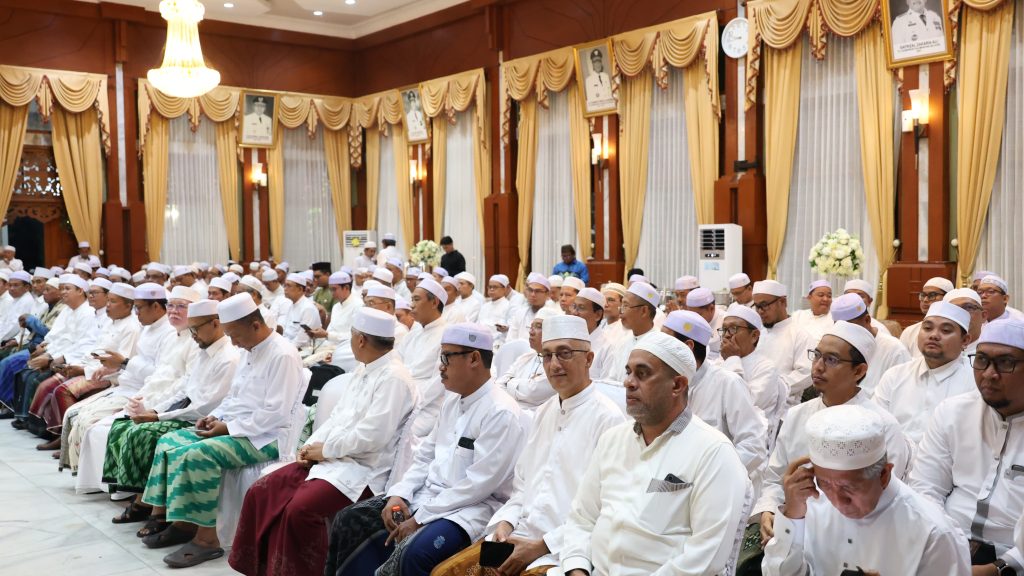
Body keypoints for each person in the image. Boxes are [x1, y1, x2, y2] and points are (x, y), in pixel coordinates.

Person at [327, 323, 527, 576]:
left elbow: (478, 485)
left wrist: (420, 518)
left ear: (474, 358)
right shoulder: (453, 401)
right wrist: (400, 494)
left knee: (415, 553)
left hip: (468, 510)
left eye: (446, 357)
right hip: (427, 497)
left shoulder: (500, 412)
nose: (440, 366)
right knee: (351, 518)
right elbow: (424, 456)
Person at [229, 307, 417, 576]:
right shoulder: (365, 369)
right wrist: (310, 447)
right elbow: (337, 418)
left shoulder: (394, 378)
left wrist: (325, 451)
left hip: (363, 470)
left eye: (351, 336)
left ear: (361, 340)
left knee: (299, 510)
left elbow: (372, 437)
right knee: (261, 491)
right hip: (332, 459)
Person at [433, 315, 625, 576]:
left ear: (589, 359)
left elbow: (603, 509)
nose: (554, 364)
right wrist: (505, 522)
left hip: (562, 549)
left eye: (564, 353)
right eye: (547, 355)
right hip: (519, 534)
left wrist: (541, 546)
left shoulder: (609, 419)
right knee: (443, 573)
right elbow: (522, 486)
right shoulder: (545, 411)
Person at [560, 331, 750, 575]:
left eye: (642, 374)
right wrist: (577, 569)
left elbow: (706, 556)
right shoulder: (612, 440)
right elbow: (581, 519)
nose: (628, 382)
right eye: (628, 372)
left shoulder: (714, 452)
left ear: (677, 385)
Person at [139, 293, 305, 568]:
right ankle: (183, 523)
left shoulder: (282, 354)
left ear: (255, 325)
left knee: (199, 454)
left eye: (235, 335)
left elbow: (276, 413)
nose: (234, 342)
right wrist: (215, 416)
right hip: (237, 426)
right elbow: (234, 397)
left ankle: (208, 540)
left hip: (266, 437)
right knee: (170, 441)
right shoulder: (249, 349)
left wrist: (228, 427)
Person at [753, 321, 912, 549]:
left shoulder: (881, 425)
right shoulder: (797, 415)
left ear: (859, 371)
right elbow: (774, 479)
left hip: (853, 539)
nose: (818, 367)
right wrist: (769, 509)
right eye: (817, 356)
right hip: (793, 525)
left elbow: (886, 501)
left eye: (831, 360)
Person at [762, 404, 970, 575]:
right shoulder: (811, 502)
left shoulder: (933, 534)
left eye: (848, 487)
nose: (837, 501)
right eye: (824, 483)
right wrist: (793, 517)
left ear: (884, 475)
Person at [102, 299, 239, 517]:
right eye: (190, 329)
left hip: (198, 418)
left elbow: (204, 407)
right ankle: (139, 496)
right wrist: (155, 411)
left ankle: (149, 504)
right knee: (122, 425)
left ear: (215, 324)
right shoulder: (204, 350)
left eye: (195, 329)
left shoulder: (228, 358)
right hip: (184, 411)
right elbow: (184, 389)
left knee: (143, 434)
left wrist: (159, 418)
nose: (192, 335)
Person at [909, 318, 1024, 572]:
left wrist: (1000, 568)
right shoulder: (953, 413)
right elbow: (926, 488)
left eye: (1006, 363)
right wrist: (942, 543)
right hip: (947, 541)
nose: (989, 374)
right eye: (981, 360)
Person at [662, 310, 767, 480]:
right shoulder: (664, 382)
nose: (657, 349)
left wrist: (710, 476)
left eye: (664, 343)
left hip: (717, 481)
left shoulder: (727, 383)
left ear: (688, 347)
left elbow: (753, 446)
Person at [872, 301, 976, 446]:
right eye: (927, 328)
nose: (934, 335)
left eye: (946, 330)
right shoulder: (895, 376)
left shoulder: (975, 384)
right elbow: (876, 425)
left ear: (965, 340)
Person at [719, 302, 787, 441]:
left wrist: (732, 359)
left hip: (749, 443)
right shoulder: (719, 363)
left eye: (733, 329)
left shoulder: (766, 368)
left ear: (754, 335)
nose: (726, 335)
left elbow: (741, 408)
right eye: (724, 330)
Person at [752, 280, 815, 407]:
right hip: (752, 399)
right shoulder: (755, 333)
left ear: (782, 302)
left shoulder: (800, 335)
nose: (760, 311)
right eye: (757, 306)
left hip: (783, 405)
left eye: (764, 305)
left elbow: (807, 372)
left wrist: (772, 388)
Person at [830, 293, 909, 395]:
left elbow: (902, 394)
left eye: (850, 328)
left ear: (867, 320)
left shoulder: (895, 350)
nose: (845, 334)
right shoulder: (838, 346)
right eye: (840, 329)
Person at [497, 307, 561, 410]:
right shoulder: (525, 357)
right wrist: (525, 385)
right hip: (509, 409)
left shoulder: (558, 364)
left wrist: (510, 382)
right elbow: (500, 384)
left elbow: (532, 392)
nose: (531, 332)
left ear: (553, 332)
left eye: (538, 327)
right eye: (531, 327)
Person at [608, 281, 660, 382]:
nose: (620, 312)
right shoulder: (622, 342)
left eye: (625, 306)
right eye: (621, 306)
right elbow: (612, 379)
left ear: (644, 311)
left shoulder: (659, 346)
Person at [901, 276, 955, 357]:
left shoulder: (956, 332)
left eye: (932, 295)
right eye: (923, 295)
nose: (925, 300)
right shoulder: (909, 331)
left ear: (947, 298)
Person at [570, 287, 616, 380]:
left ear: (597, 315)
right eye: (574, 307)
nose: (575, 313)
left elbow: (607, 384)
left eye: (581, 308)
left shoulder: (608, 347)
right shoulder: (568, 340)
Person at [507, 273, 557, 342]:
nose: (533, 294)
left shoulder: (553, 315)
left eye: (538, 291)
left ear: (547, 294)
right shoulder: (520, 314)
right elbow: (510, 340)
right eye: (530, 290)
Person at [684, 287, 724, 363]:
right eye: (691, 314)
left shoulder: (726, 321)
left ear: (711, 308)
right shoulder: (689, 321)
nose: (694, 319)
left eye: (698, 315)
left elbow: (727, 357)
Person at [281, 273, 321, 348]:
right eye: (285, 285)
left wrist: (285, 349)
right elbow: (286, 332)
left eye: (289, 286)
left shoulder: (308, 308)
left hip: (304, 349)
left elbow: (302, 340)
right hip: (289, 345)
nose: (285, 289)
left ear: (300, 289)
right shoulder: (291, 305)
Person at [478, 274, 512, 346]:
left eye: (495, 287)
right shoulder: (485, 306)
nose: (491, 289)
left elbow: (506, 329)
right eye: (490, 287)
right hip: (481, 340)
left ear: (504, 289)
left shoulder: (508, 306)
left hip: (498, 343)